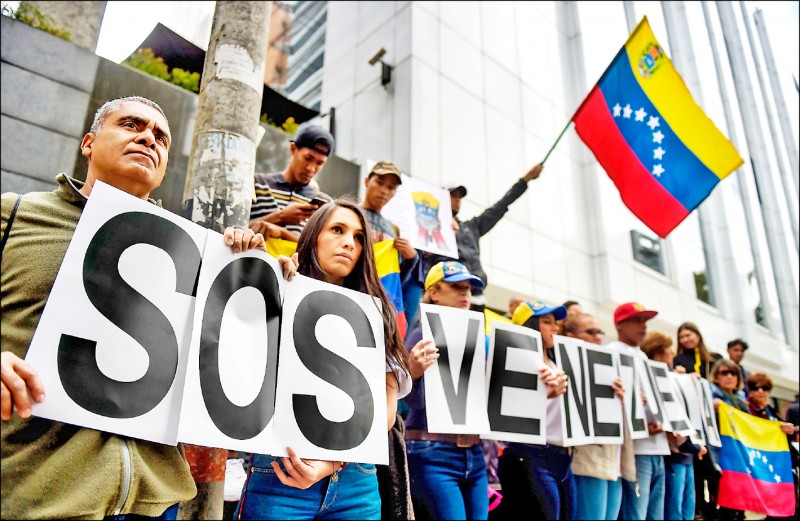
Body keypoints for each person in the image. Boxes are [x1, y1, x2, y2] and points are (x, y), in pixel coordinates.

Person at [0, 96, 280, 519]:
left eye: (161, 138)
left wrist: (262, 275)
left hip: (153, 502)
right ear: (89, 143)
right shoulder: (15, 214)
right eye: (131, 125)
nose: (148, 138)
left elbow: (223, 359)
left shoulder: (194, 253)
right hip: (34, 495)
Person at [235, 199, 413, 520]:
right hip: (281, 475)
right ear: (312, 236)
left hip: (356, 484)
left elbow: (386, 413)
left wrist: (333, 462)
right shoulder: (279, 288)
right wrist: (253, 269)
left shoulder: (379, 313)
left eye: (359, 237)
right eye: (337, 230)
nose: (349, 243)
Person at [403, 261, 489, 520]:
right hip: (432, 451)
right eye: (456, 287)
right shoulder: (421, 335)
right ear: (434, 293)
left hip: (474, 452)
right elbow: (411, 402)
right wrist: (413, 375)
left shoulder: (482, 340)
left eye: (468, 288)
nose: (465, 293)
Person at [358, 161, 418, 520]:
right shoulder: (349, 215)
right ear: (367, 181)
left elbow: (403, 284)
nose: (385, 191)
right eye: (380, 183)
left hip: (383, 323)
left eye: (392, 187)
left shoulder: (392, 228)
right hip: (352, 312)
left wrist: (409, 258)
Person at [423, 163, 544, 313]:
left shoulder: (471, 227)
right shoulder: (428, 226)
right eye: (452, 195)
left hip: (477, 298)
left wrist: (524, 181)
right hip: (446, 299)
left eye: (459, 196)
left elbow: (499, 207)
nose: (457, 199)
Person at [497, 300, 572, 520]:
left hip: (563, 457)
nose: (555, 328)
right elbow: (507, 411)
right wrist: (544, 394)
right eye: (547, 322)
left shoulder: (558, 362)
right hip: (531, 454)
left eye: (555, 322)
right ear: (529, 326)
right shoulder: (515, 360)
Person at [564, 313, 632, 520]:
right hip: (587, 461)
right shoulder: (564, 366)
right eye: (591, 332)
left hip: (613, 462)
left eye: (599, 332)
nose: (598, 337)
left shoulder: (608, 366)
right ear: (570, 336)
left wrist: (623, 399)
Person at [605, 302, 668, 521]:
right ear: (619, 325)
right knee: (636, 513)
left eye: (645, 321)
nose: (643, 326)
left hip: (658, 446)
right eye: (637, 320)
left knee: (655, 514)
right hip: (636, 448)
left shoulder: (643, 357)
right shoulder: (611, 352)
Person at [641, 331, 708, 521]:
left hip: (683, 451)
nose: (672, 353)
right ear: (658, 352)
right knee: (673, 507)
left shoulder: (674, 379)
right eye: (668, 350)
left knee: (686, 504)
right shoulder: (651, 377)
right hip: (673, 452)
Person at [248, 123, 335, 242]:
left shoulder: (325, 204)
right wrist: (280, 216)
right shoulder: (256, 183)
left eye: (319, 163)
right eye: (308, 158)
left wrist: (281, 232)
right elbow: (232, 229)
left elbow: (323, 246)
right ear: (293, 149)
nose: (311, 168)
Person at [708, 359, 749, 521]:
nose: (729, 377)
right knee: (723, 500)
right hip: (719, 454)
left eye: (733, 373)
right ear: (716, 376)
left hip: (738, 455)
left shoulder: (741, 400)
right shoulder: (710, 396)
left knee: (737, 502)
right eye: (724, 373)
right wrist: (711, 409)